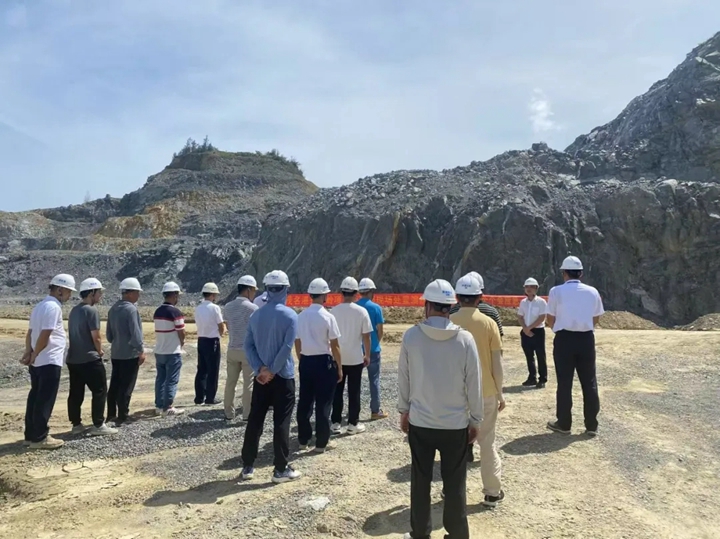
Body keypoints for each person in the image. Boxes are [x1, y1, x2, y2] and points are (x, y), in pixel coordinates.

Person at [398, 279, 483, 539]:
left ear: (427, 305)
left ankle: (420, 533)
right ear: (450, 306)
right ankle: (457, 534)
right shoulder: (464, 339)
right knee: (455, 483)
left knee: (420, 481)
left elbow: (404, 378)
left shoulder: (412, 336)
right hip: (455, 425)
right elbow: (474, 383)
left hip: (421, 423)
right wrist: (475, 419)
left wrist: (404, 410)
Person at [241, 270, 301, 484]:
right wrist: (272, 370)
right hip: (282, 377)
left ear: (267, 289)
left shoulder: (256, 315)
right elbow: (286, 347)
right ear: (285, 290)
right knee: (281, 422)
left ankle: (247, 466)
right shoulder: (290, 316)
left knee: (255, 420)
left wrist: (260, 369)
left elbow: (248, 345)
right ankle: (280, 468)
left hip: (261, 379)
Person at [450, 274, 505, 507]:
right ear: (480, 297)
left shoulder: (448, 321)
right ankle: (492, 492)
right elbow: (497, 363)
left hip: (454, 394)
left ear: (457, 297)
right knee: (487, 442)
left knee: (454, 445)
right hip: (485, 392)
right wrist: (500, 393)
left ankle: (451, 491)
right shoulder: (489, 323)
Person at [546, 256, 604, 437]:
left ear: (564, 273)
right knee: (589, 381)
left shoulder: (556, 291)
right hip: (586, 339)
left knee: (564, 382)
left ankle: (564, 423)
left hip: (564, 339)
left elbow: (550, 318)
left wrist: (558, 329)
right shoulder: (592, 291)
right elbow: (596, 318)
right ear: (581, 273)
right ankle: (591, 425)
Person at [21, 274, 76, 449]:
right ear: (59, 290)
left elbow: (30, 333)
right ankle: (40, 438)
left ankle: (31, 435)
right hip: (49, 359)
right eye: (68, 291)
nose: (69, 295)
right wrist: (35, 353)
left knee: (35, 397)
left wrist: (29, 352)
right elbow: (45, 334)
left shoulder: (39, 306)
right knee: (45, 399)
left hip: (39, 361)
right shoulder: (53, 307)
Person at [296, 278, 343, 452]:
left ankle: (303, 439)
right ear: (324, 296)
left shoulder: (301, 316)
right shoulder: (328, 317)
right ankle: (321, 442)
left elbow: (297, 341)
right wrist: (339, 367)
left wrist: (302, 359)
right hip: (324, 362)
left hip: (306, 361)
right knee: (324, 403)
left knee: (305, 401)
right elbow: (335, 345)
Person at [66, 278, 117, 437]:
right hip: (89, 359)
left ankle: (76, 424)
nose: (101, 295)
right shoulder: (91, 310)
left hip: (73, 359)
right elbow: (96, 336)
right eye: (99, 292)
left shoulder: (74, 310)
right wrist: (100, 351)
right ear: (92, 292)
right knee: (100, 390)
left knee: (76, 392)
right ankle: (98, 424)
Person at [330, 277, 372, 435]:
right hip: (355, 358)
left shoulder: (333, 311)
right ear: (356, 294)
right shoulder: (361, 312)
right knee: (354, 392)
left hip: (337, 358)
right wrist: (367, 355)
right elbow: (366, 336)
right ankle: (353, 423)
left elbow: (329, 337)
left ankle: (335, 423)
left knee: (337, 391)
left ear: (342, 293)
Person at [106, 277, 145, 426]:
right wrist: (140, 350)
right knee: (127, 385)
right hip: (129, 354)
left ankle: (111, 414)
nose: (138, 295)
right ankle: (123, 415)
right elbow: (136, 334)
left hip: (116, 353)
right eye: (137, 292)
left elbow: (109, 336)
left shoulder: (113, 309)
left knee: (115, 384)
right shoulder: (131, 309)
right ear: (129, 293)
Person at [223, 275, 259, 422]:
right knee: (248, 383)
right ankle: (247, 414)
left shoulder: (228, 307)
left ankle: (228, 413)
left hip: (232, 349)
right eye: (254, 290)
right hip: (247, 351)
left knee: (230, 382)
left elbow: (229, 326)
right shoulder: (253, 308)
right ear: (248, 290)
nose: (255, 293)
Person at [356, 277, 389, 420]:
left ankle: (353, 411)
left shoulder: (354, 307)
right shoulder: (376, 308)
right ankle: (375, 411)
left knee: (354, 381)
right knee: (374, 380)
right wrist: (374, 343)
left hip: (356, 350)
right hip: (374, 350)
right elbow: (380, 330)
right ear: (371, 291)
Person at [153, 282, 186, 417]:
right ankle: (168, 407)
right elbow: (181, 332)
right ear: (174, 295)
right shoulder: (175, 312)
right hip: (172, 351)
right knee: (171, 380)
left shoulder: (157, 311)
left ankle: (159, 406)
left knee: (160, 379)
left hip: (159, 350)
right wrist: (182, 343)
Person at [194, 282, 225, 406]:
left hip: (201, 340)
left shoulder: (198, 308)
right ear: (212, 294)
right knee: (213, 370)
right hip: (212, 341)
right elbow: (221, 325)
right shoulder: (215, 308)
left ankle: (199, 397)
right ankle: (210, 398)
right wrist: (221, 334)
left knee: (201, 370)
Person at [449, 272, 504, 338]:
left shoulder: (450, 314)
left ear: (457, 296)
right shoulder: (492, 313)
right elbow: (498, 338)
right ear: (480, 295)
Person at [517, 277, 548, 389]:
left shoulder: (541, 302)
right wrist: (525, 329)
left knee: (540, 356)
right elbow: (520, 316)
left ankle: (542, 379)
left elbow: (542, 317)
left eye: (531, 287)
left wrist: (529, 328)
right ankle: (532, 377)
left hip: (538, 331)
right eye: (527, 287)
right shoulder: (523, 302)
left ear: (536, 288)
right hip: (525, 331)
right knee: (529, 356)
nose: (529, 289)